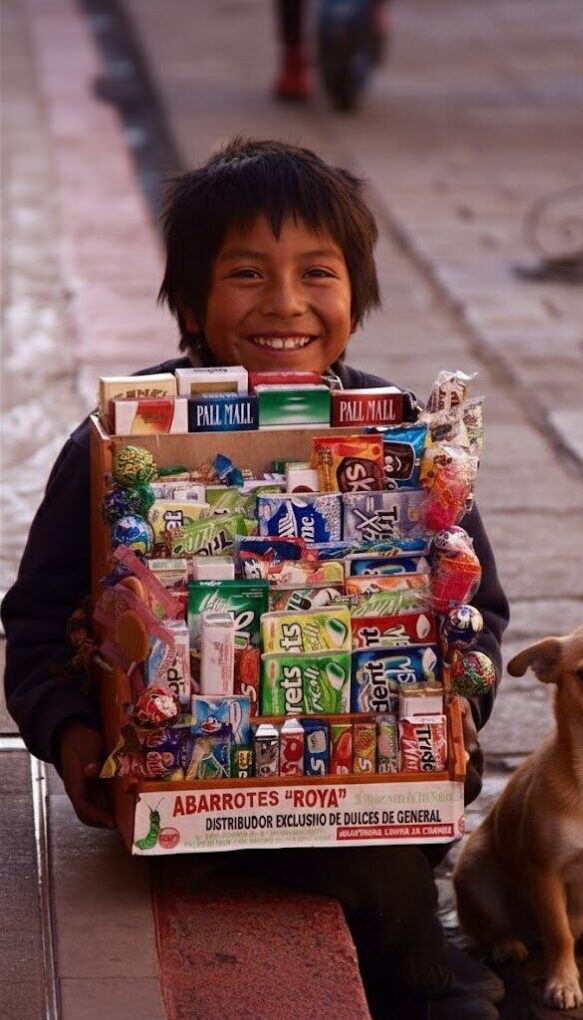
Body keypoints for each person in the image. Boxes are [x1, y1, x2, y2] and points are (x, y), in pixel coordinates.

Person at [2, 138, 509, 1020]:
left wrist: (465, 692)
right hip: (177, 783)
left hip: (370, 774)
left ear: (356, 295)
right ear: (190, 301)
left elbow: (475, 610)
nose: (285, 304)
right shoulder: (121, 441)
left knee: (388, 845)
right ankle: (425, 983)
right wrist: (72, 729)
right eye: (246, 273)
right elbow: (39, 620)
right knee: (379, 875)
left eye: (318, 273)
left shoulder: (401, 441)